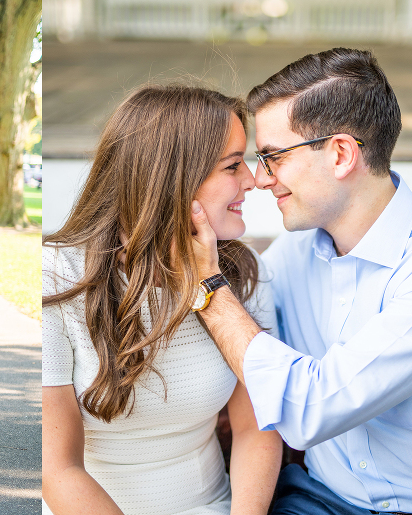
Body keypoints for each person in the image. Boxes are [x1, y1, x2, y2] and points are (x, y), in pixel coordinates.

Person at [189, 48, 412, 514]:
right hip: (315, 496)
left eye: (272, 157)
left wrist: (209, 288)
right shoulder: (293, 255)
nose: (260, 179)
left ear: (341, 154)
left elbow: (307, 411)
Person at [42, 85, 282, 515]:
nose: (253, 180)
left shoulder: (243, 273)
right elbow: (56, 470)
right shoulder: (58, 278)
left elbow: (255, 427)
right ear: (173, 177)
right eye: (233, 165)